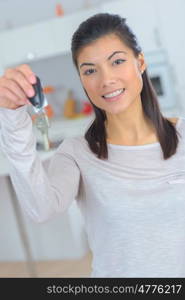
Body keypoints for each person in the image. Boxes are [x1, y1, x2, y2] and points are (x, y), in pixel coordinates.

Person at [0, 12, 184, 278]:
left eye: (117, 61)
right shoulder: (77, 153)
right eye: (90, 70)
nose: (106, 79)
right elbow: (41, 209)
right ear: (82, 79)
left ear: (140, 62)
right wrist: (13, 119)